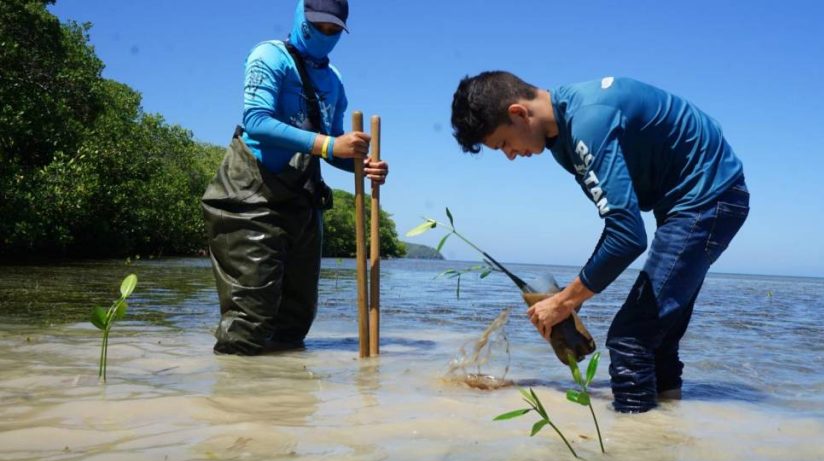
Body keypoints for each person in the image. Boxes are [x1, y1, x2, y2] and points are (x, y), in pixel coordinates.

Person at [450, 72, 749, 412]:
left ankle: (629, 458)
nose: (509, 155)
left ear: (519, 113)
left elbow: (627, 236)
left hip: (709, 199)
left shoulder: (589, 123)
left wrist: (565, 301)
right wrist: (573, 300)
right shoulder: (561, 138)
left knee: (630, 339)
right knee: (657, 340)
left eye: (503, 143)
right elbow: (618, 225)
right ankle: (665, 444)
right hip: (692, 203)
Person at [202, 0, 388, 355]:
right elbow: (257, 121)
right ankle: (233, 401)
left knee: (296, 319)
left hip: (302, 200)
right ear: (301, 17)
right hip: (249, 196)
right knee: (250, 320)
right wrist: (332, 145)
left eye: (334, 30)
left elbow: (333, 146)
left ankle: (286, 404)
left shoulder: (334, 82)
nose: (326, 35)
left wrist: (363, 167)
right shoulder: (269, 56)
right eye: (319, 26)